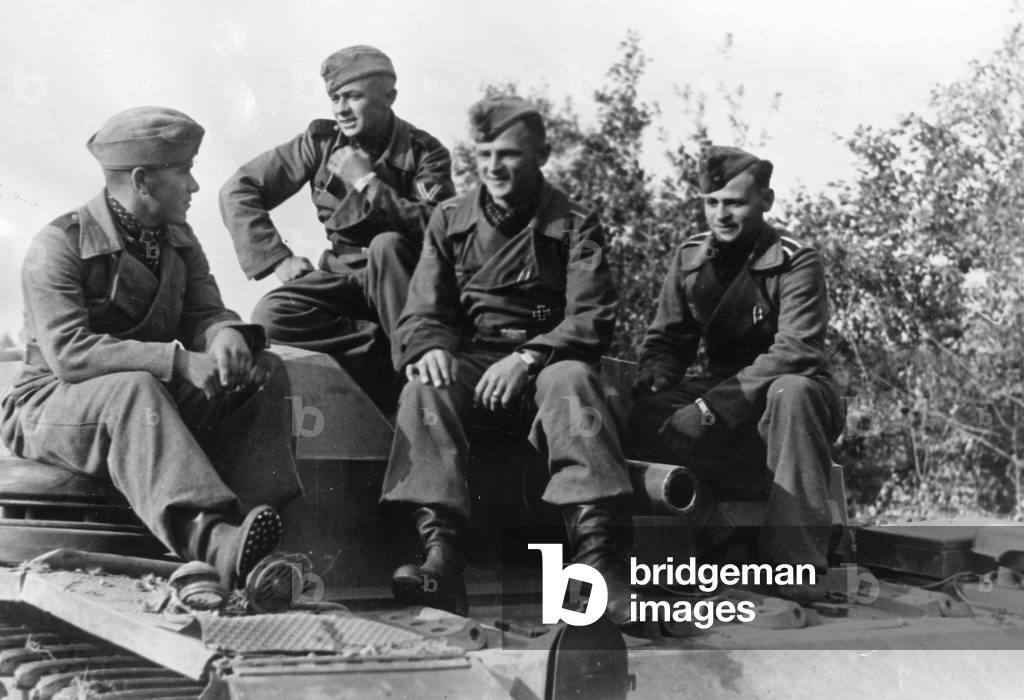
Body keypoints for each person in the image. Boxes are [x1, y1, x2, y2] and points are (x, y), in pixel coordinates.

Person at [0, 106, 301, 589]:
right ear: (142, 181)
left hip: (141, 403)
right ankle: (212, 539)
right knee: (135, 389)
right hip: (49, 404)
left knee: (263, 370)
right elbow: (70, 353)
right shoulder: (59, 244)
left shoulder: (178, 242)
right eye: (184, 172)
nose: (194, 187)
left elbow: (205, 312)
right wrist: (179, 362)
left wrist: (225, 337)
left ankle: (255, 536)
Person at [381, 96, 634, 624]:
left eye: (509, 155)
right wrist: (429, 349)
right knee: (423, 388)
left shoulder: (575, 224)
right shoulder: (449, 220)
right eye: (485, 154)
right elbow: (423, 309)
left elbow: (591, 317)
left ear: (541, 154)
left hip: (547, 361)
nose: (494, 167)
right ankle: (441, 554)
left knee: (573, 381)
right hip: (475, 362)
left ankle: (595, 563)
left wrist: (527, 356)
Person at [627, 146, 845, 585]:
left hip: (788, 393)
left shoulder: (795, 259)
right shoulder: (691, 259)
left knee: (792, 393)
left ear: (766, 200)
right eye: (712, 203)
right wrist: (657, 374)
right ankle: (677, 550)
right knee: (643, 412)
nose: (721, 215)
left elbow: (797, 351)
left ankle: (794, 565)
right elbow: (669, 338)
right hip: (724, 389)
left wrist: (708, 410)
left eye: (735, 203)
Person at [219, 45, 454, 407]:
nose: (341, 108)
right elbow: (238, 189)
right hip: (344, 276)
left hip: (404, 280)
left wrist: (367, 185)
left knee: (386, 245)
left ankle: (416, 375)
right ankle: (387, 353)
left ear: (389, 97)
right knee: (272, 318)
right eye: (335, 98)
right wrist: (278, 258)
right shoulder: (321, 145)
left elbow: (437, 229)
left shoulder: (425, 152)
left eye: (353, 96)